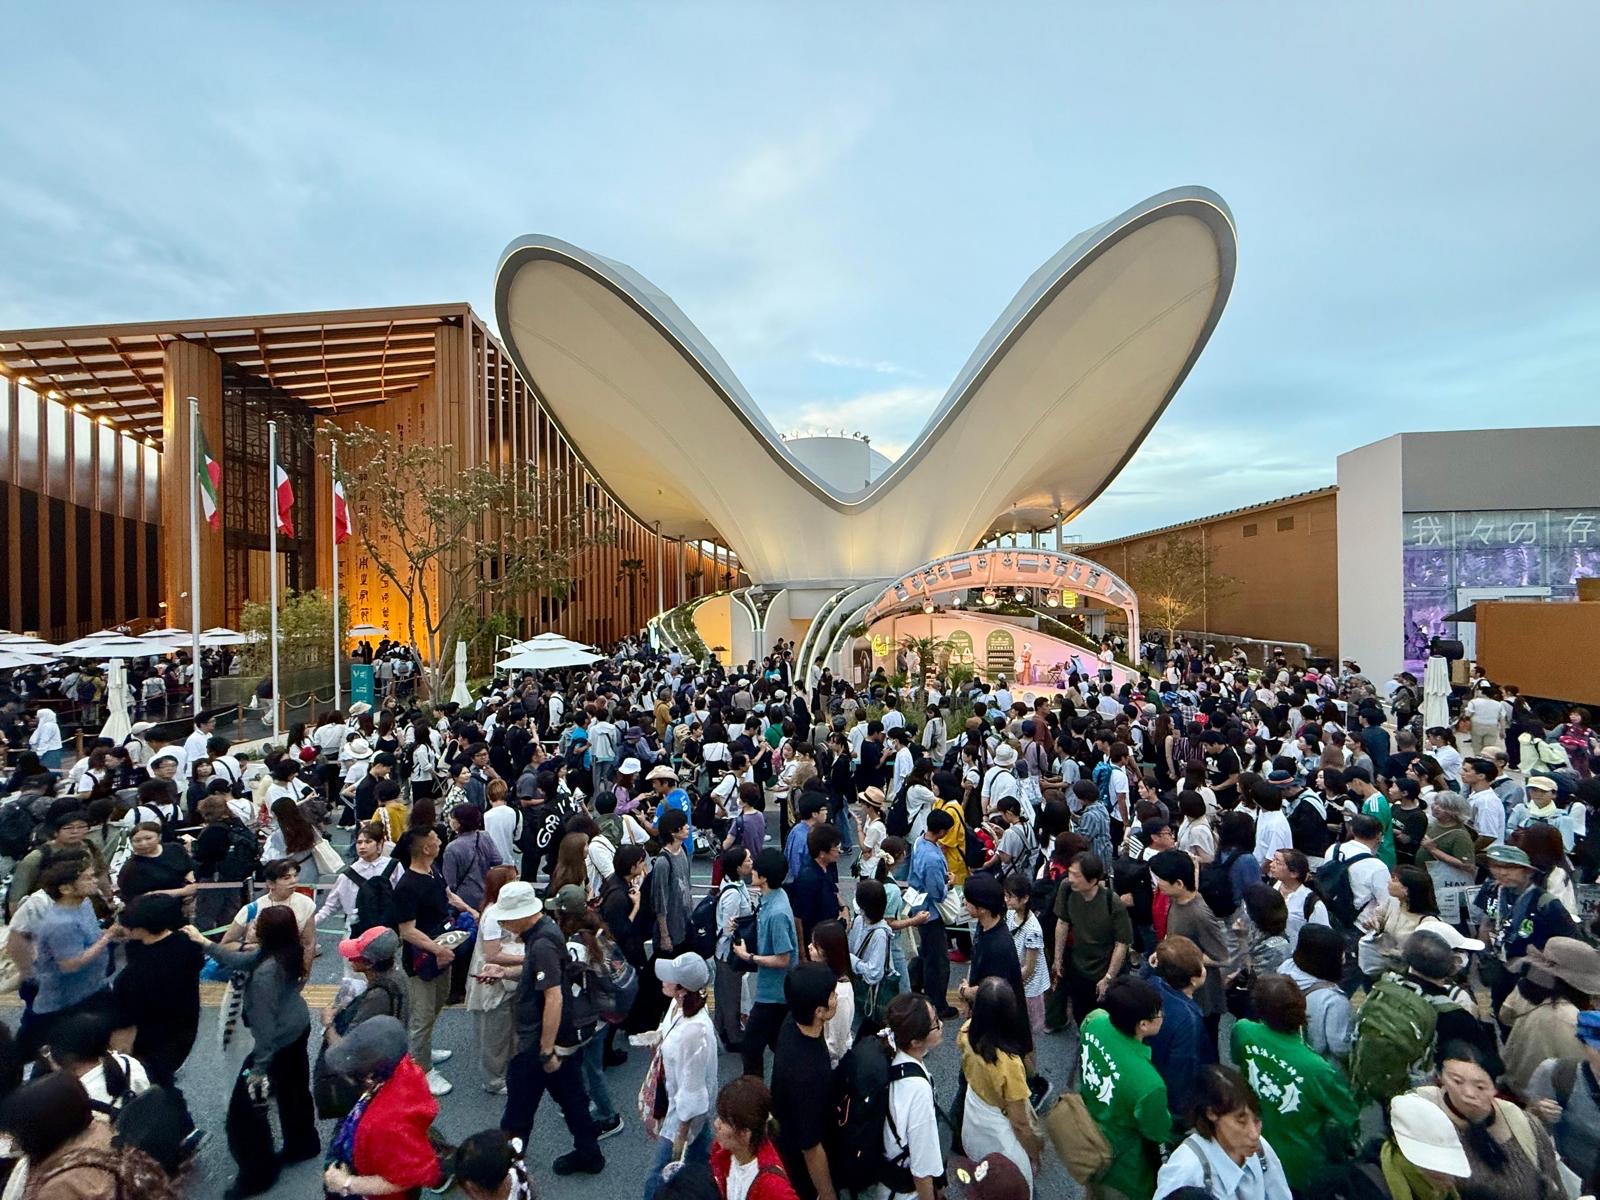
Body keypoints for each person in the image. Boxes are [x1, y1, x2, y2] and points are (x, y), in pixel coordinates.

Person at [186, 906, 319, 1197]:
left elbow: (264, 1029)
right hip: (298, 1026)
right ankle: (302, 1144)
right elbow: (242, 959)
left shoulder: (264, 976)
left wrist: (258, 1069)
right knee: (294, 1092)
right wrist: (205, 943)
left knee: (242, 1115)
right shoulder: (287, 951)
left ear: (265, 933)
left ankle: (258, 1174)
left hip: (278, 1040)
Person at [486, 880, 604, 1176]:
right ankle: (589, 1153)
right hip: (561, 1037)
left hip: (539, 1041)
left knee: (518, 1111)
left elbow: (553, 996)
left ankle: (507, 1170)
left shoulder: (540, 944)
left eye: (506, 918)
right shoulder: (546, 932)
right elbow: (545, 977)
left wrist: (546, 1050)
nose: (503, 923)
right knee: (572, 1099)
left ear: (522, 915)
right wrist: (506, 972)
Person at [1232, 974, 1359, 1194]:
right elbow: (1348, 1116)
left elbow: (1237, 1059)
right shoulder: (1316, 1068)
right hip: (1303, 1164)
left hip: (1254, 1146)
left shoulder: (1243, 1031)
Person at [1418, 1041, 1567, 1200]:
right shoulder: (1424, 1123)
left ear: (1495, 1088)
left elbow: (1554, 1189)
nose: (1468, 1093)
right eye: (1457, 1081)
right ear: (1440, 1077)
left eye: (1480, 1087)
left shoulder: (1522, 1123)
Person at [321, 1016, 443, 1200]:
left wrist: (346, 1183)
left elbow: (405, 1178)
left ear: (370, 1077)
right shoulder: (402, 1066)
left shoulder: (384, 1124)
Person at [391, 827, 474, 1097]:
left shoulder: (433, 870)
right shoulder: (407, 886)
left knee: (438, 1002)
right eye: (435, 839)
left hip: (443, 949)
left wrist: (471, 911)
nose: (440, 841)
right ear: (425, 848)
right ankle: (421, 1070)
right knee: (422, 1016)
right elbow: (407, 931)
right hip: (422, 960)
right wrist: (437, 950)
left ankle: (424, 1049)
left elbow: (448, 895)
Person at [1078, 976, 1171, 1200]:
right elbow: (1157, 1130)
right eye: (1158, 1013)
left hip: (1087, 1138)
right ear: (1143, 1025)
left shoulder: (1095, 1021)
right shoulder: (1149, 1083)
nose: (1163, 1015)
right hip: (1124, 1169)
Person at [642, 954, 719, 1200]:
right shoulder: (680, 1005)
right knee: (699, 1157)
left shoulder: (696, 1031)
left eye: (670, 977)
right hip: (683, 1105)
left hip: (683, 1114)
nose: (663, 980)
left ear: (682, 989)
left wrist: (679, 1136)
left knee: (657, 1177)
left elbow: (693, 1094)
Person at [1154, 1065, 1293, 1200]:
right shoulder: (1186, 1168)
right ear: (1211, 1114)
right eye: (1241, 1122)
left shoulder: (1260, 1149)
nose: (1254, 1134)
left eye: (1256, 1121)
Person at [110, 894, 204, 1088]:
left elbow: (127, 1025)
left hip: (148, 1039)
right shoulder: (187, 944)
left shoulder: (133, 976)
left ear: (143, 927)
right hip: (183, 1026)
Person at [958, 978, 1043, 1189]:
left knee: (984, 1176)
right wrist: (1034, 1153)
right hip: (999, 1128)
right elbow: (1020, 1124)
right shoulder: (1009, 1064)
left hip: (974, 1114)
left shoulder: (966, 1031)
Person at [30, 859, 119, 1049]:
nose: (95, 881)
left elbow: (90, 936)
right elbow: (71, 964)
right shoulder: (61, 923)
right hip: (67, 1001)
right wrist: (108, 937)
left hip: (92, 987)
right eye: (87, 878)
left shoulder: (84, 903)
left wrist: (113, 935)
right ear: (66, 889)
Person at [769, 963, 838, 1200]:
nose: (836, 999)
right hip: (799, 1165)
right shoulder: (807, 1073)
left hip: (784, 1135)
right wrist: (827, 1194)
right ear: (819, 1011)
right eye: (832, 995)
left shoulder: (792, 1022)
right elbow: (811, 1146)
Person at [1051, 852, 1133, 1028]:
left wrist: (1108, 978)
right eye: (1070, 872)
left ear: (1093, 880)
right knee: (1080, 1013)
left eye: (1076, 875)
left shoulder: (1112, 901)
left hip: (1104, 968)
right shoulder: (1066, 888)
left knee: (1105, 1017)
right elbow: (1063, 922)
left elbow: (1121, 943)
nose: (1070, 879)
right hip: (1078, 965)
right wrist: (1057, 959)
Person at [735, 849, 797, 1081]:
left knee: (751, 1047)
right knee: (777, 1042)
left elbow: (783, 958)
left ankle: (755, 1092)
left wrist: (748, 957)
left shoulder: (777, 913)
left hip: (774, 993)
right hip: (773, 989)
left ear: (764, 877)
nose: (751, 870)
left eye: (755, 869)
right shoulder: (774, 897)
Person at [879, 992, 946, 1200]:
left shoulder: (892, 1055)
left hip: (884, 1177)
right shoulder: (918, 1090)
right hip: (903, 1192)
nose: (941, 1025)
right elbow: (922, 1171)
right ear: (916, 1041)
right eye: (935, 1023)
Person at [465, 865, 524, 1096]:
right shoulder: (493, 915)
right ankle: (494, 1080)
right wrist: (527, 957)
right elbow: (492, 954)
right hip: (493, 980)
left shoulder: (500, 910)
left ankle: (505, 1072)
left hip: (503, 979)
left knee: (507, 1030)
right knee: (495, 1034)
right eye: (512, 880)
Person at [1525, 1009, 1600, 1192]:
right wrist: (1538, 1112)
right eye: (1599, 1049)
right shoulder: (1559, 1075)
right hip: (1579, 1180)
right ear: (1583, 1044)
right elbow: (1529, 1125)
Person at [1145, 934, 1215, 1125]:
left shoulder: (1153, 984)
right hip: (1173, 1104)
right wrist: (1181, 1114)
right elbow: (1182, 1071)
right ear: (1193, 980)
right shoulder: (1188, 1019)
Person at [710, 1075, 802, 1200]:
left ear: (745, 1133)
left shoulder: (773, 1186)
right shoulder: (722, 1151)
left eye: (724, 1121)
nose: (716, 1124)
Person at [907, 808, 956, 1020]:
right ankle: (938, 1004)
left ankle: (915, 984)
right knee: (937, 961)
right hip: (930, 912)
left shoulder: (920, 841)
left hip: (918, 905)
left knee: (926, 952)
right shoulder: (932, 859)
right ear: (942, 831)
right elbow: (937, 893)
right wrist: (949, 884)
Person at [1283, 924, 1354, 1062]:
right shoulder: (1334, 1000)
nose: (1343, 957)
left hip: (1290, 1055)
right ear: (1329, 961)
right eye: (1339, 953)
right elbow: (1341, 1048)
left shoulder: (1285, 968)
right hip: (1319, 1064)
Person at [712, 847, 755, 1053]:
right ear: (738, 867)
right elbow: (727, 928)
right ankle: (733, 1036)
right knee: (731, 995)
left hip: (724, 952)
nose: (751, 862)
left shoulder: (733, 884)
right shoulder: (733, 895)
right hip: (728, 953)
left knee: (724, 992)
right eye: (747, 860)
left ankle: (722, 1028)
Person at [1002, 873, 1049, 1035]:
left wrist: (1008, 982)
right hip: (1015, 978)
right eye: (1006, 895)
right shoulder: (1011, 914)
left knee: (1026, 1031)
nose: (1006, 900)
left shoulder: (1033, 930)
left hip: (1028, 987)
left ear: (1025, 898)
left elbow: (1029, 968)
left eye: (1011, 896)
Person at [115, 822, 197, 906]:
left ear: (159, 837)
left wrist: (191, 886)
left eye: (148, 838)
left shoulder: (175, 848)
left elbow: (189, 868)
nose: (143, 843)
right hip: (154, 907)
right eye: (137, 841)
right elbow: (141, 897)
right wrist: (183, 892)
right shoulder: (130, 868)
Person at [443, 804, 504, 913]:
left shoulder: (452, 848)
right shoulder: (484, 836)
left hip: (465, 900)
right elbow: (498, 860)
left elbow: (450, 882)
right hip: (486, 892)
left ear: (458, 823)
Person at [651, 810, 695, 955]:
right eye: (683, 825)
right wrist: (665, 936)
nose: (688, 827)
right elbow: (660, 902)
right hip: (671, 929)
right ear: (672, 832)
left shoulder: (683, 849)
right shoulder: (663, 862)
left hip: (685, 924)